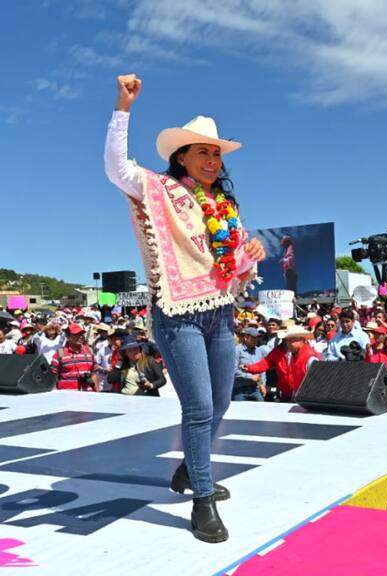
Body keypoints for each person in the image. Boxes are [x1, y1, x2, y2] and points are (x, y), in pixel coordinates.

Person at [105, 73, 266, 543]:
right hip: (178, 315)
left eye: (217, 153)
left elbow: (229, 265)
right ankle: (202, 498)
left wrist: (249, 251)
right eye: (204, 151)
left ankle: (189, 470)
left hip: (220, 313)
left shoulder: (222, 205)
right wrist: (123, 108)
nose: (213, 160)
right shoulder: (158, 190)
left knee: (220, 402)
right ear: (181, 157)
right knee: (198, 408)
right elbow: (117, 168)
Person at [241, 325, 321, 402]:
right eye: (286, 340)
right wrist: (249, 368)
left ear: (302, 340)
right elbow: (264, 363)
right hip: (287, 393)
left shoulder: (309, 357)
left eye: (291, 340)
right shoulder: (279, 352)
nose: (287, 343)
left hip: (302, 397)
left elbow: (317, 381)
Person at [50, 324, 100, 391]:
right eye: (77, 334)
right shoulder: (59, 354)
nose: (80, 337)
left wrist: (97, 393)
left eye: (82, 334)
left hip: (89, 397)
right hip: (67, 397)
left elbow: (94, 374)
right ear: (67, 336)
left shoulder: (90, 351)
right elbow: (52, 377)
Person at [233, 327, 266, 401]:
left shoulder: (259, 351)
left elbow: (262, 369)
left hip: (255, 389)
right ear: (246, 337)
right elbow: (233, 370)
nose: (255, 340)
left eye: (257, 338)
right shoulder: (237, 350)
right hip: (240, 390)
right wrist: (250, 376)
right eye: (253, 338)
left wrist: (263, 384)